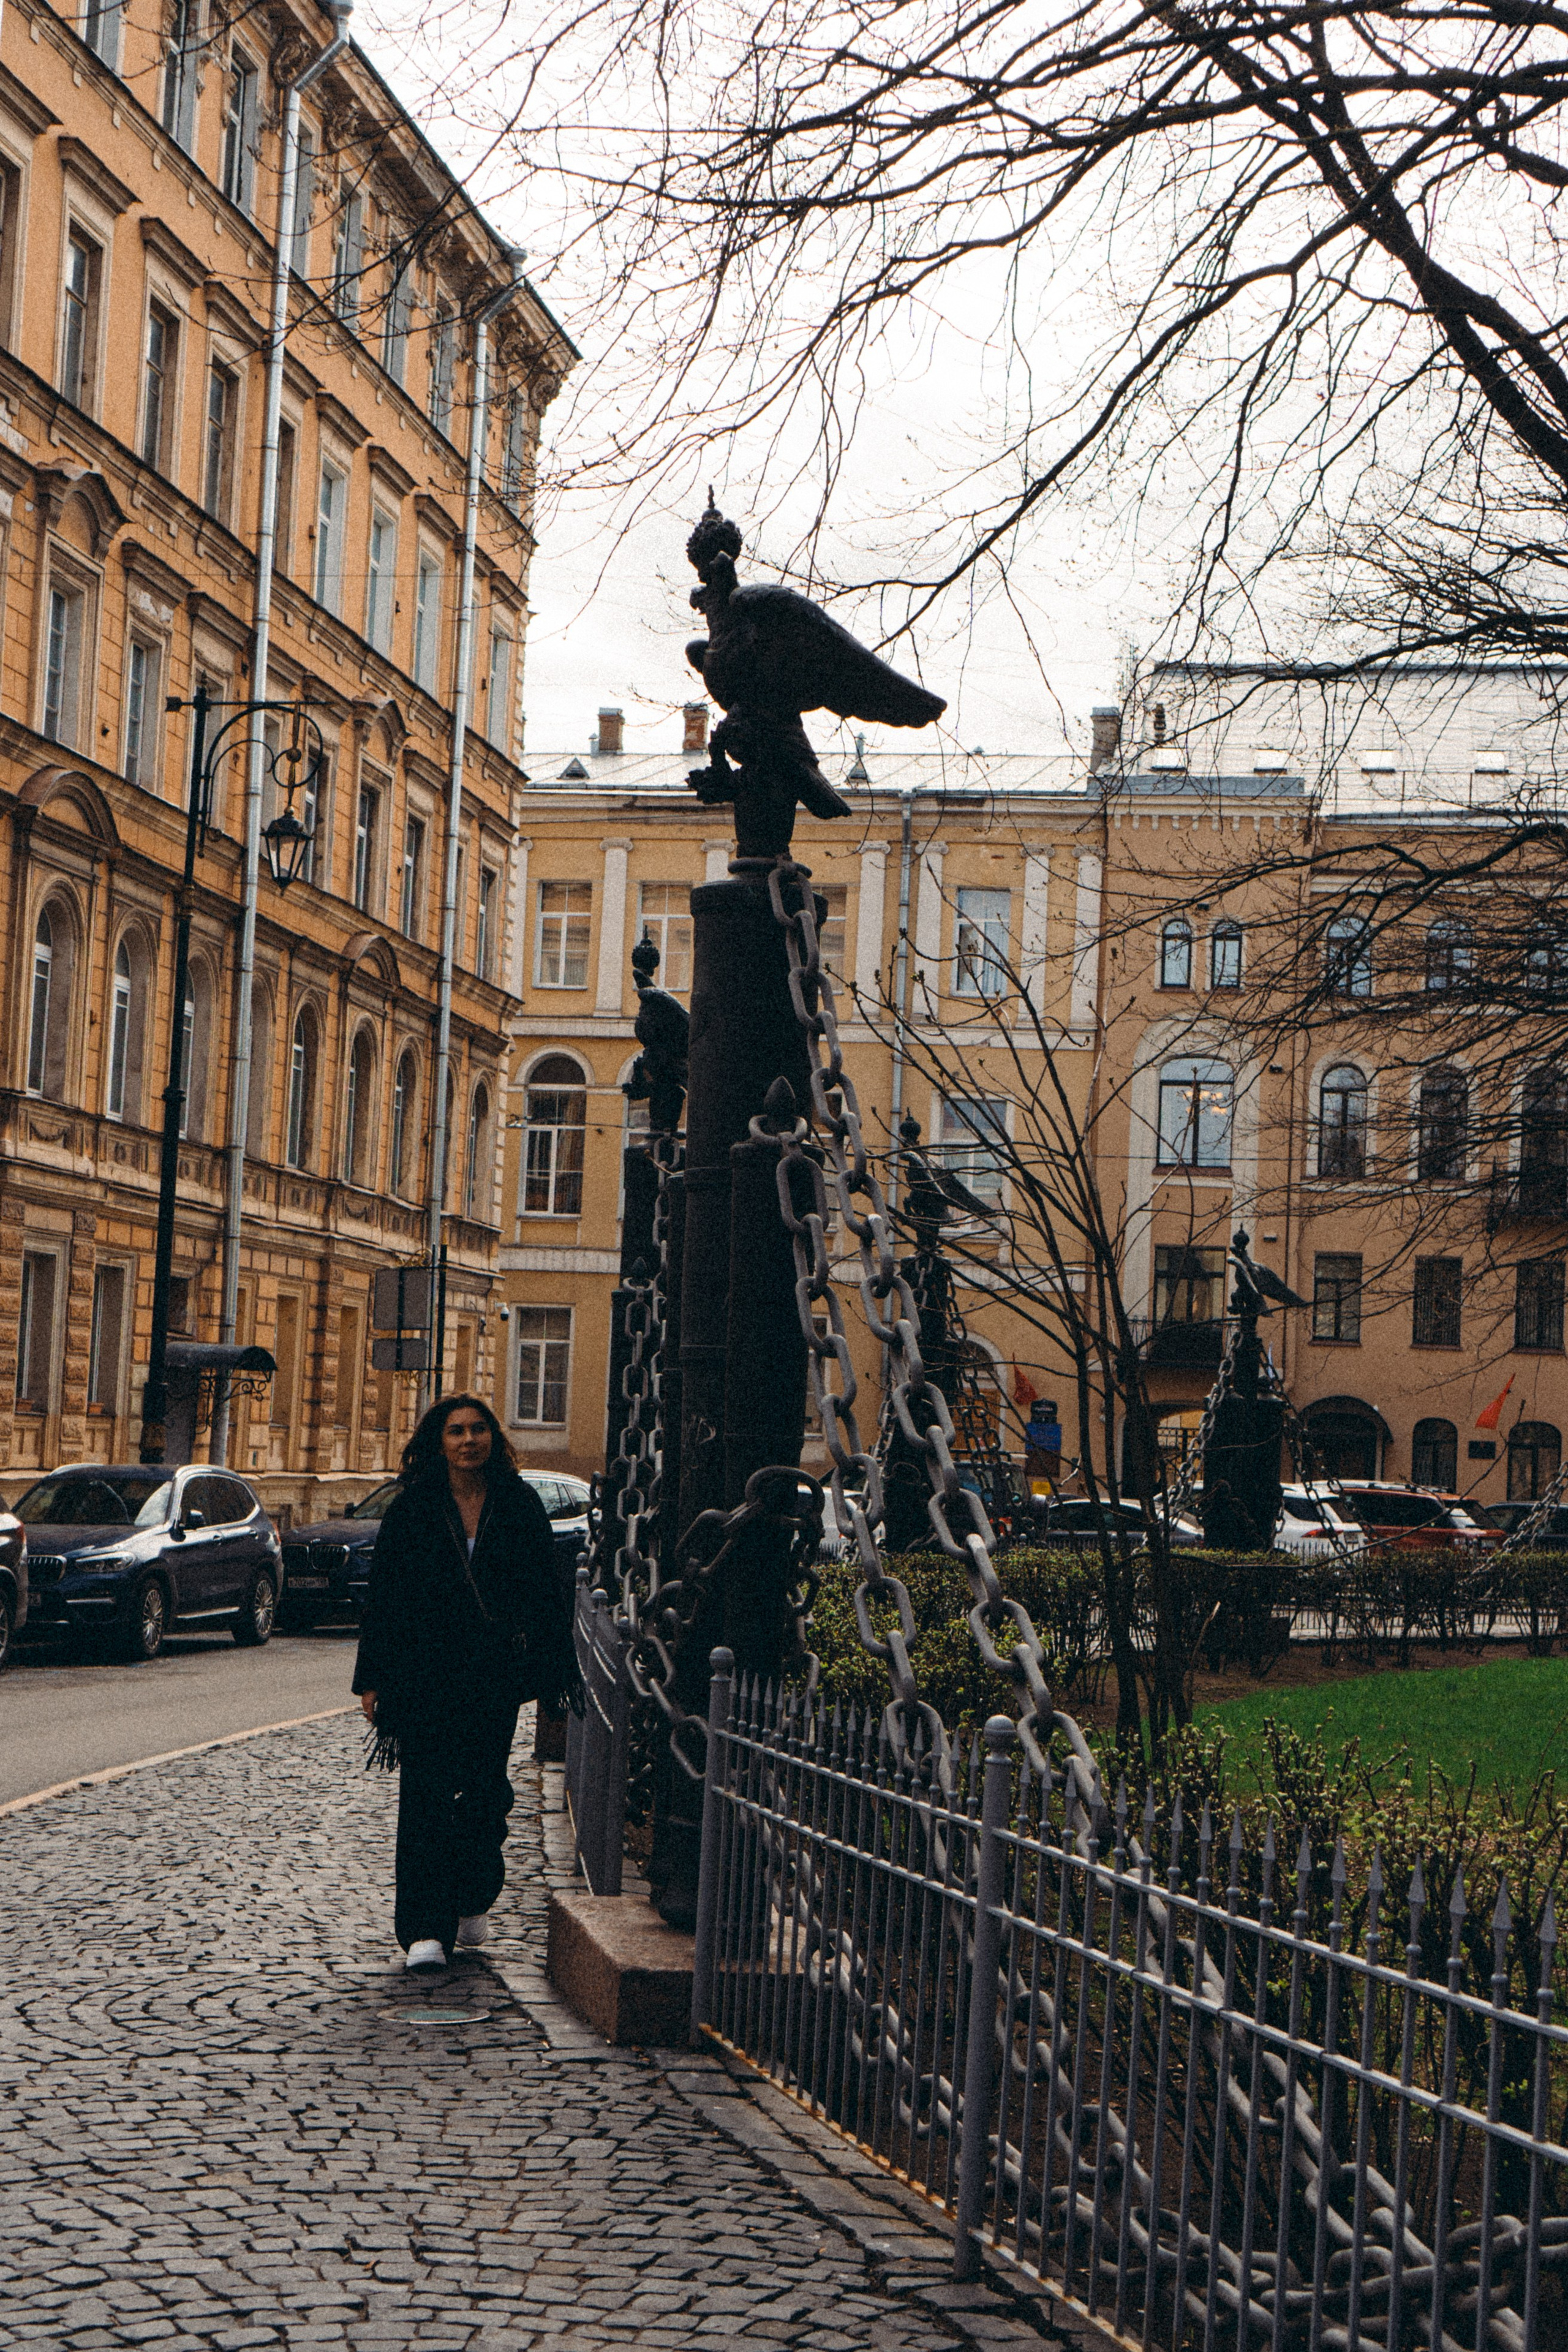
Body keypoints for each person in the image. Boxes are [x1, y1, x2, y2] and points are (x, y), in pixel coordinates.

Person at [352, 1393, 576, 1973]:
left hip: (492, 1675)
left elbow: (546, 1591)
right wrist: (372, 1678)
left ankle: (474, 1893)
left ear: (493, 1439)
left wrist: (555, 1670)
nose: (468, 1440)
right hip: (423, 1673)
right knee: (425, 1796)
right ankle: (425, 1929)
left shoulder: (519, 1504)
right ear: (439, 1442)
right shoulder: (414, 1508)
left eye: (478, 1429)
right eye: (456, 1431)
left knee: (484, 1794)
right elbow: (386, 1597)